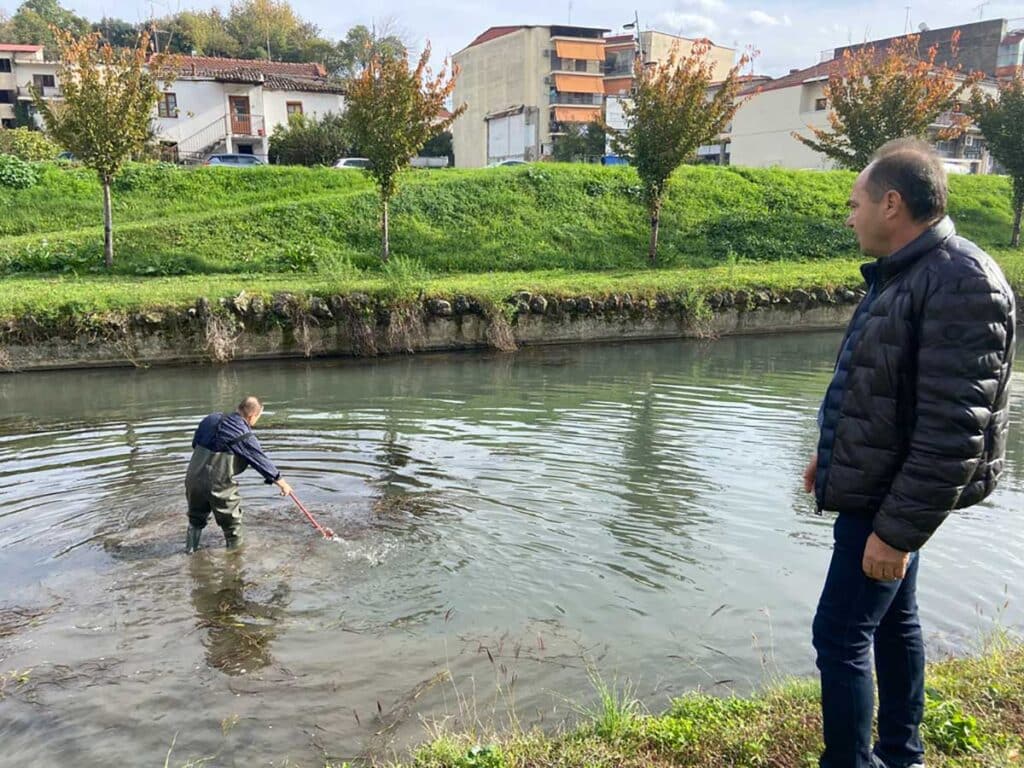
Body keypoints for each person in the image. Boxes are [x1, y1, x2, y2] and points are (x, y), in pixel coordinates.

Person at [804, 138, 1015, 768]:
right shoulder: (908, 272)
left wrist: (895, 535)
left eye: (855, 203)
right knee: (893, 623)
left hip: (892, 500)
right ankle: (902, 755)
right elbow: (875, 389)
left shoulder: (961, 282)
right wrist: (832, 451)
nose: (850, 216)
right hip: (878, 484)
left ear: (891, 203)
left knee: (840, 635)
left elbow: (953, 433)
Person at [185, 396, 292, 552]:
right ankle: (235, 567)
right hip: (218, 483)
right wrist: (282, 483)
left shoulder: (210, 419)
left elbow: (195, 444)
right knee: (232, 526)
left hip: (192, 478)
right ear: (252, 416)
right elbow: (259, 459)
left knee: (195, 519)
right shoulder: (243, 433)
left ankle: (190, 552)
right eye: (258, 417)